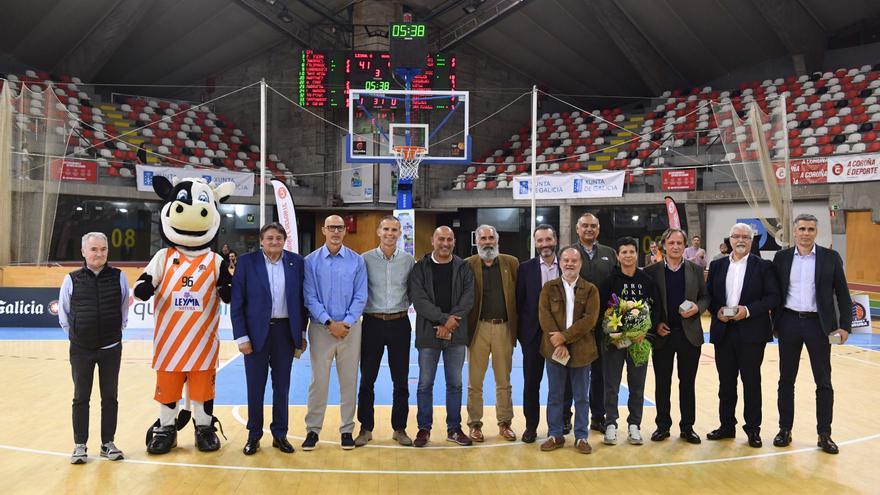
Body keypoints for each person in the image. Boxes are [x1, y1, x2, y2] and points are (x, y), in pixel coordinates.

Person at [772, 214, 852, 454]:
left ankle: (824, 433)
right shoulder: (782, 257)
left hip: (818, 325)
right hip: (788, 322)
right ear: (794, 232)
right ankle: (784, 429)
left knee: (823, 381)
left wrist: (845, 326)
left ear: (816, 232)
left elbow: (843, 294)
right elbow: (774, 291)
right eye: (802, 229)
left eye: (811, 229)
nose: (806, 233)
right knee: (786, 380)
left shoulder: (830, 258)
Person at [231, 223, 307, 456]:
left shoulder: (297, 263)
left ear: (284, 240)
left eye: (278, 238)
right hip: (254, 335)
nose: (274, 242)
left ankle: (280, 435)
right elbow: (237, 303)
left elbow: (301, 302)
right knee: (255, 387)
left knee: (281, 387)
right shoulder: (246, 262)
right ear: (261, 241)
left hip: (285, 332)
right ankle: (254, 435)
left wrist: (301, 333)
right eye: (270, 238)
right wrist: (242, 337)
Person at [706, 223, 780, 448]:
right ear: (729, 240)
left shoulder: (763, 266)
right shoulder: (717, 265)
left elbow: (773, 297)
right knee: (726, 383)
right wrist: (717, 310)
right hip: (724, 332)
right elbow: (709, 295)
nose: (740, 240)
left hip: (751, 333)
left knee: (751, 382)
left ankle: (753, 429)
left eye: (745, 237)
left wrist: (746, 311)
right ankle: (727, 426)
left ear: (751, 241)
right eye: (736, 236)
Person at [59, 232, 129, 464]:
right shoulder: (71, 279)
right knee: (81, 397)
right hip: (81, 349)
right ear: (83, 252)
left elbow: (123, 310)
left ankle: (107, 443)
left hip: (111, 347)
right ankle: (80, 445)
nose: (99, 254)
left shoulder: (119, 277)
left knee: (110, 397)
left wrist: (115, 334)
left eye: (103, 249)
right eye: (94, 249)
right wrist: (78, 336)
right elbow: (64, 314)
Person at [302, 215, 368, 450]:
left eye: (339, 227)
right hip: (321, 330)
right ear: (323, 230)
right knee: (318, 382)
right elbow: (309, 297)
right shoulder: (310, 262)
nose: (335, 231)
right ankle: (312, 430)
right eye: (331, 227)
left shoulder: (356, 261)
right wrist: (330, 322)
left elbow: (361, 296)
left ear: (344, 231)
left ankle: (347, 430)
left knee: (349, 381)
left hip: (351, 330)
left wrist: (346, 323)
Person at [408, 226, 475, 447]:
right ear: (432, 240)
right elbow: (419, 300)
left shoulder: (463, 267)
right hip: (429, 334)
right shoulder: (420, 268)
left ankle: (454, 428)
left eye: (449, 240)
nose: (445, 243)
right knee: (425, 383)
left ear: (454, 242)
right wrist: (444, 321)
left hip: (456, 335)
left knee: (455, 384)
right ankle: (423, 429)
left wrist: (450, 323)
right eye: (441, 239)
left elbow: (467, 298)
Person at [644, 228, 710, 444]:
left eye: (679, 243)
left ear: (685, 245)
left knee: (687, 383)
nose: (675, 247)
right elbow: (646, 304)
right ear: (664, 245)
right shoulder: (651, 271)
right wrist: (655, 325)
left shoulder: (695, 270)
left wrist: (697, 309)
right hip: (663, 335)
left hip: (689, 335)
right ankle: (662, 426)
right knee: (662, 383)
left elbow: (704, 297)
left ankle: (687, 427)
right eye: (671, 243)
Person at [355, 216, 416, 447]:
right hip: (372, 323)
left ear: (400, 233)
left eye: (395, 230)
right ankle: (365, 428)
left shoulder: (409, 260)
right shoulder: (365, 259)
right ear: (379, 232)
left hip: (400, 323)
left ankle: (399, 428)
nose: (390, 233)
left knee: (400, 380)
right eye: (386, 229)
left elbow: (412, 291)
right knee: (367, 379)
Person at [538, 247, 601, 454]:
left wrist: (564, 337)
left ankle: (581, 437)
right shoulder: (549, 288)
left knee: (582, 396)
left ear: (580, 263)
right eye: (566, 259)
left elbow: (589, 320)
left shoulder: (590, 289)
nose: (570, 263)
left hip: (582, 351)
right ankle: (555, 435)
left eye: (574, 260)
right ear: (561, 262)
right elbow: (545, 316)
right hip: (554, 350)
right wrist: (559, 342)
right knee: (555, 395)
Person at [599, 237, 661, 446]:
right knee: (611, 385)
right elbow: (602, 310)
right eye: (623, 252)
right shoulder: (610, 281)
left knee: (637, 385)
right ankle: (611, 424)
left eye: (631, 252)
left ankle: (634, 425)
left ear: (636, 254)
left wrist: (645, 331)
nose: (628, 255)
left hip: (639, 342)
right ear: (618, 255)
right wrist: (614, 334)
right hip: (615, 343)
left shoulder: (647, 280)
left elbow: (655, 308)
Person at [516, 224, 571, 444]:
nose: (545, 244)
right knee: (531, 383)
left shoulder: (567, 266)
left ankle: (560, 423)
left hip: (561, 337)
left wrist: (567, 335)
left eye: (548, 239)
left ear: (555, 240)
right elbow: (519, 304)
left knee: (562, 383)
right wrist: (523, 336)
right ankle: (531, 426)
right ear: (535, 243)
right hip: (533, 338)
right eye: (540, 240)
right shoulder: (525, 269)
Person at [465, 224, 519, 442]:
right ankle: (474, 424)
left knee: (503, 380)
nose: (487, 242)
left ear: (497, 240)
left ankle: (504, 423)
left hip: (504, 328)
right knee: (474, 382)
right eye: (483, 238)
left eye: (491, 238)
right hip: (478, 328)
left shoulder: (511, 263)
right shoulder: (468, 265)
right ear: (476, 242)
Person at [573, 212, 618, 432]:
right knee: (572, 371)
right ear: (577, 229)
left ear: (598, 229)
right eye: (585, 226)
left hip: (603, 325)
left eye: (593, 226)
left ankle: (598, 417)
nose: (589, 229)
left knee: (600, 372)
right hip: (575, 324)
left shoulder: (609, 254)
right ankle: (565, 417)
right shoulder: (569, 253)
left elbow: (617, 288)